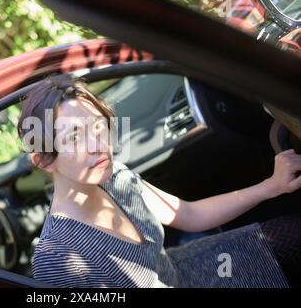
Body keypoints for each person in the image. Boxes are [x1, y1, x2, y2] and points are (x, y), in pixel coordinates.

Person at [17, 74, 301, 288]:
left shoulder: (114, 177)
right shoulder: (58, 260)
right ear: (43, 159)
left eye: (97, 126)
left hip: (198, 268)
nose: (97, 144)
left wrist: (271, 186)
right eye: (74, 137)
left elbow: (187, 214)